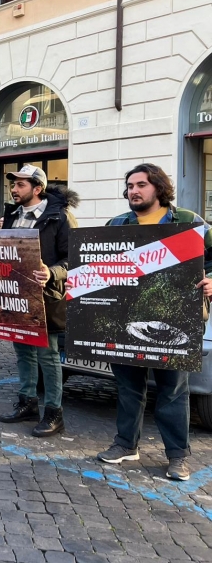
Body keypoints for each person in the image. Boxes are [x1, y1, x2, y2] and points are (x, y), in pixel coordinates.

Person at [96, 163, 212, 481]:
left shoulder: (189, 222)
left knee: (173, 390)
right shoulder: (116, 224)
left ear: (158, 187)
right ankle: (125, 445)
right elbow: (99, 266)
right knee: (128, 387)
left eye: (141, 184)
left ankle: (177, 456)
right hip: (126, 321)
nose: (134, 190)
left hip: (176, 321)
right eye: (130, 185)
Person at [0, 165, 70, 437]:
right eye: (13, 184)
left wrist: (52, 272)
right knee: (23, 351)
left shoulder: (59, 217)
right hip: (15, 295)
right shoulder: (11, 216)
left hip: (45, 297)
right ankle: (27, 403)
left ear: (37, 189)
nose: (14, 189)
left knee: (48, 356)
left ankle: (54, 412)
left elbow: (72, 258)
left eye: (20, 185)